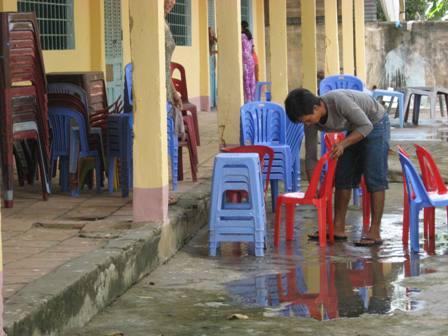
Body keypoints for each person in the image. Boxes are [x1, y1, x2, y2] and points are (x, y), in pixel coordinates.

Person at [284, 88, 390, 246]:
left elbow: (366, 126)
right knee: (343, 175)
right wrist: (316, 185)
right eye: (303, 122)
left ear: (317, 107)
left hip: (375, 122)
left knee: (374, 176)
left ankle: (374, 231)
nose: (307, 124)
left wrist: (343, 144)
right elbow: (311, 156)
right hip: (356, 127)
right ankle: (337, 228)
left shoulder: (339, 101)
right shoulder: (310, 121)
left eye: (308, 120)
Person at [164, 0, 185, 204]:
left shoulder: (164, 23)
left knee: (167, 139)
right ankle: (158, 191)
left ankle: (167, 188)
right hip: (155, 91)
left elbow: (166, 65)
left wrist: (174, 91)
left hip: (165, 89)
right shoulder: (155, 25)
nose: (173, 2)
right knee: (160, 140)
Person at [241, 20, 256, 102]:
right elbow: (253, 50)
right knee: (251, 80)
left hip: (245, 61)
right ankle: (252, 99)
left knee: (246, 80)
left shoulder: (242, 36)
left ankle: (248, 100)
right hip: (251, 60)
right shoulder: (250, 36)